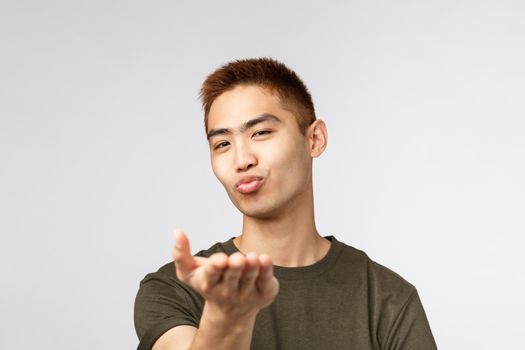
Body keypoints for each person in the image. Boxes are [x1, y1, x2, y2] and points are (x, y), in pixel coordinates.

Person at [134, 57, 438, 350]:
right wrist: (228, 314)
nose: (242, 160)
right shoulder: (173, 288)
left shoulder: (388, 298)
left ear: (315, 139)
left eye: (261, 132)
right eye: (222, 144)